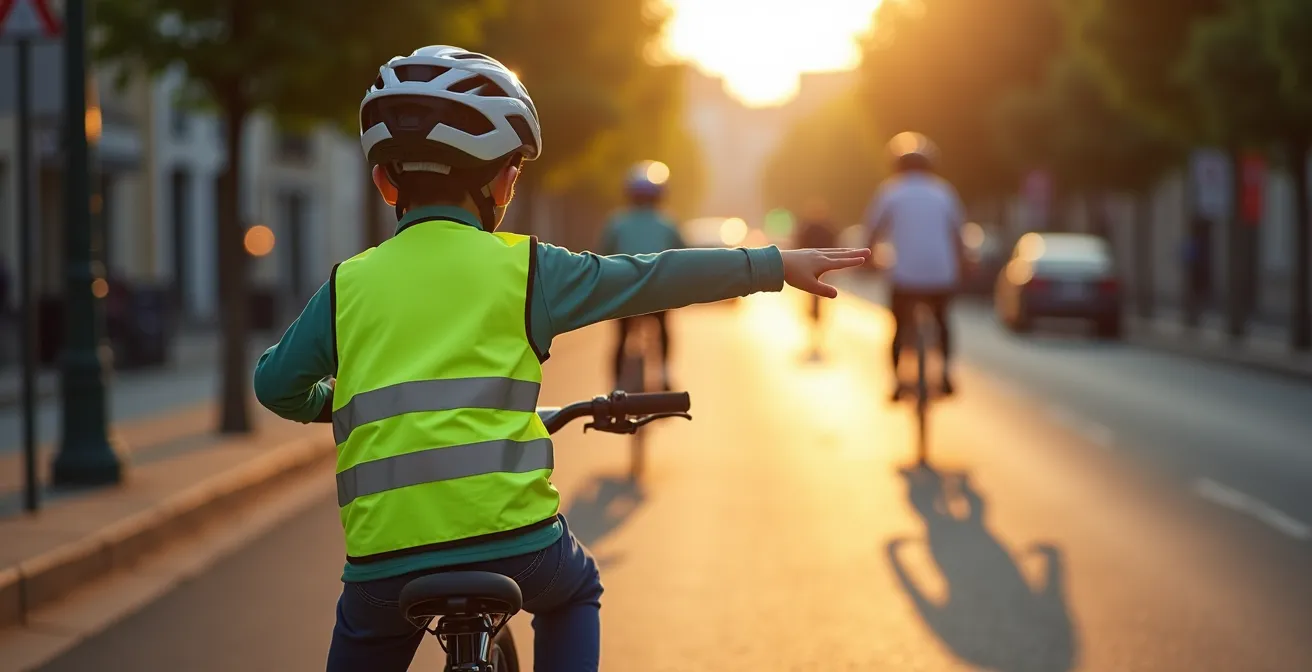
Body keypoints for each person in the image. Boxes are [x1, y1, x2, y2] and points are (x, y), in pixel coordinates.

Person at [250, 45, 870, 672]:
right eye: (513, 174)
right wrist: (772, 265)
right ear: (499, 182)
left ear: (384, 183)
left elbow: (275, 384)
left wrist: (333, 400)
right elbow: (649, 278)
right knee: (576, 591)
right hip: (516, 548)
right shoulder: (528, 269)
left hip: (383, 562)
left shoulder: (346, 285)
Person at [865, 132, 966, 400]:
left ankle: (898, 382)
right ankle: (945, 375)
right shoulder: (944, 192)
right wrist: (964, 265)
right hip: (940, 273)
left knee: (897, 326)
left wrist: (868, 260)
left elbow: (873, 233)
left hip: (904, 275)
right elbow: (958, 235)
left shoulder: (890, 192)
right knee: (943, 321)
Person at [598, 161, 686, 390]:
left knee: (620, 338)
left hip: (624, 290)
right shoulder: (668, 223)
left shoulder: (617, 222)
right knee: (663, 327)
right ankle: (665, 372)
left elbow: (604, 253)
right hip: (658, 291)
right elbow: (682, 253)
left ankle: (616, 383)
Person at [795, 199, 838, 329]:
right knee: (817, 289)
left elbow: (800, 243)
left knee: (814, 289)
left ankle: (815, 313)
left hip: (814, 263)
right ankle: (816, 313)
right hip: (822, 262)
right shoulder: (826, 227)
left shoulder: (808, 227)